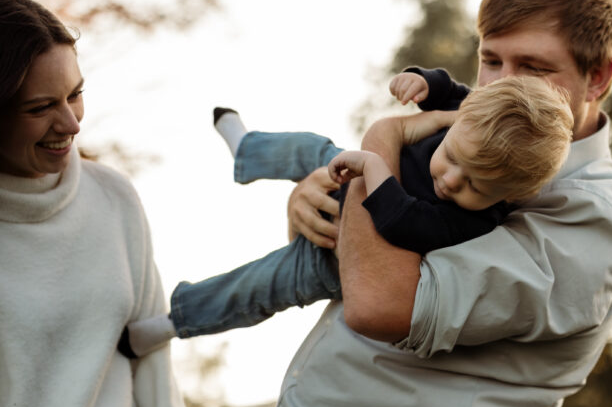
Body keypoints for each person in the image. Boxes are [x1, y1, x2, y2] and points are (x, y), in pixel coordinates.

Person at [271, 0, 612, 407]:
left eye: (534, 67)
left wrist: (380, 144)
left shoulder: (589, 218)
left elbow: (382, 302)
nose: (498, 85)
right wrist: (317, 204)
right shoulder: (470, 141)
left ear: (598, 77)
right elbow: (364, 249)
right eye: (490, 59)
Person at [122, 72, 573, 354]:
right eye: (452, 156)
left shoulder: (477, 221)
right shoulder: (473, 115)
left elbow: (405, 222)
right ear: (461, 121)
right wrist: (422, 82)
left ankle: (173, 322)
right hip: (355, 181)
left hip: (338, 257)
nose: (452, 180)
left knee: (260, 283)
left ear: (511, 196)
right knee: (313, 148)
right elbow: (452, 90)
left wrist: (375, 164)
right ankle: (249, 149)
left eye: (476, 184)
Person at [0, 0, 218, 407]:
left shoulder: (113, 198)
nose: (70, 124)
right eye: (39, 107)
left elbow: (153, 366)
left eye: (75, 95)